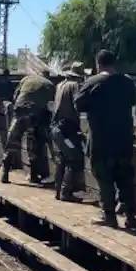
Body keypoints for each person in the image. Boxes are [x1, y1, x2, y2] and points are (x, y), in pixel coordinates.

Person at [75, 50, 136, 229]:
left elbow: (79, 105)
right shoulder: (128, 82)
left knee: (104, 178)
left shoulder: (92, 82)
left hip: (100, 141)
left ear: (98, 64)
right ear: (114, 63)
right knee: (125, 178)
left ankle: (109, 216)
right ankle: (130, 217)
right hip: (123, 140)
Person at [1, 72, 56, 184]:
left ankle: (5, 173)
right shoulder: (49, 84)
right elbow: (51, 104)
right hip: (35, 114)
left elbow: (15, 95)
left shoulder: (26, 79)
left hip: (20, 111)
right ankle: (33, 175)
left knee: (12, 143)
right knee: (33, 145)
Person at [50, 62, 86, 202]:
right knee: (75, 159)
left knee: (62, 160)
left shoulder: (60, 85)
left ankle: (58, 190)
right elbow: (78, 105)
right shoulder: (74, 86)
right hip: (68, 130)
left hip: (57, 128)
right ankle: (66, 192)